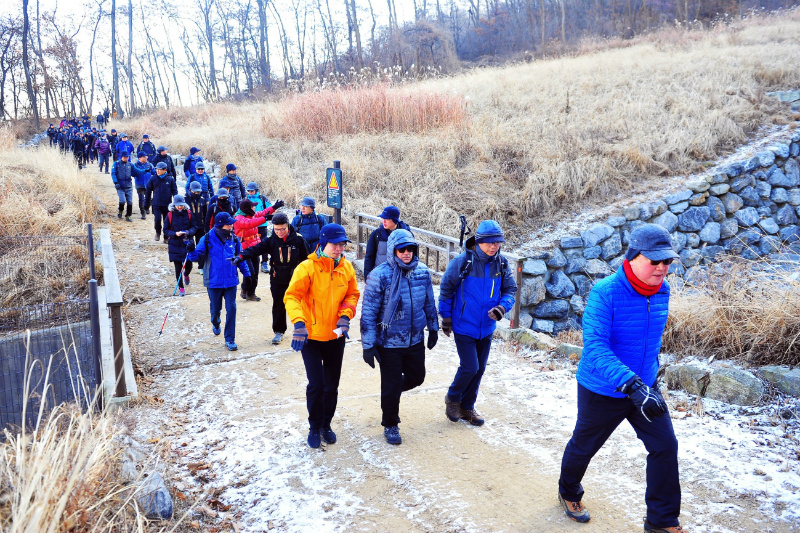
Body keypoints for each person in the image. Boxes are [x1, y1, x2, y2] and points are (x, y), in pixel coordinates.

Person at [557, 224, 683, 533]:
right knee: (585, 445)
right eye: (655, 261)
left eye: (666, 261)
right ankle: (568, 491)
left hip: (645, 388)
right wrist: (630, 383)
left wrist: (648, 379)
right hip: (603, 388)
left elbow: (648, 341)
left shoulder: (662, 290)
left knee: (665, 446)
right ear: (633, 256)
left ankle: (661, 521)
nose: (662, 267)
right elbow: (596, 346)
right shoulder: (605, 292)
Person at [284, 224, 360, 449]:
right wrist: (299, 323)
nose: (339, 248)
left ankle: (327, 424)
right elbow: (292, 297)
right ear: (322, 243)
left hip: (336, 336)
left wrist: (346, 315)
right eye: (335, 244)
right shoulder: (306, 268)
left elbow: (352, 294)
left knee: (331, 386)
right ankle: (314, 426)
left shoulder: (346, 268)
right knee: (316, 384)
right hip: (311, 337)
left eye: (342, 244)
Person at [360, 229, 439, 445]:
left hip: (415, 338)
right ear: (393, 251)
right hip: (389, 342)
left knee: (417, 377)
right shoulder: (380, 275)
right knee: (391, 384)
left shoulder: (422, 272)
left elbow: (429, 303)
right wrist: (368, 345)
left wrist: (433, 328)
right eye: (401, 249)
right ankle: (390, 423)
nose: (406, 253)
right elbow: (368, 312)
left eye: (410, 249)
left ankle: (390, 392)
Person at [439, 219, 516, 426]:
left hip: (487, 327)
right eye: (490, 242)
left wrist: (502, 308)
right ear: (479, 241)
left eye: (498, 242)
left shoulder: (501, 263)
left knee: (480, 368)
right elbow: (446, 289)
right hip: (464, 324)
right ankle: (453, 398)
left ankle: (467, 406)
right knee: (470, 366)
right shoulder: (462, 262)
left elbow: (510, 291)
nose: (494, 246)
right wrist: (445, 318)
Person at [236, 212, 305, 345]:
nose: (279, 232)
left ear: (288, 226)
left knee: (302, 304)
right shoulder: (271, 241)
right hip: (277, 278)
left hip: (296, 279)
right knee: (278, 304)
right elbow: (255, 249)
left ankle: (304, 329)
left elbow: (307, 259)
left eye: (283, 229)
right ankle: (279, 331)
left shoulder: (298, 239)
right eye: (276, 229)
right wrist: (241, 256)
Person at [186, 212, 251, 351]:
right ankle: (216, 323)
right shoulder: (208, 238)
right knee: (215, 310)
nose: (232, 226)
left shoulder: (234, 239)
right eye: (229, 224)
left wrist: (247, 274)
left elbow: (240, 257)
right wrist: (191, 250)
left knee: (231, 309)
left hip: (231, 281)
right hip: (213, 281)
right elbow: (194, 257)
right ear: (221, 225)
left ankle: (230, 339)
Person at [233, 198, 278, 301]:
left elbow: (263, 212)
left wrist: (274, 207)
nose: (254, 208)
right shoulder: (239, 218)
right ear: (247, 208)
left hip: (254, 247)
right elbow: (250, 223)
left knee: (256, 272)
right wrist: (265, 219)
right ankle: (244, 289)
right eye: (252, 206)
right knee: (250, 272)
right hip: (244, 249)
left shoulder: (251, 215)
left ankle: (251, 293)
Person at [363, 206, 412, 280]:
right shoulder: (377, 234)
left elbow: (413, 256)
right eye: (383, 218)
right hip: (380, 277)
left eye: (387, 219)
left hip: (401, 278)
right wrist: (367, 278)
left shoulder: (406, 235)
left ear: (395, 220)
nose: (384, 221)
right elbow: (369, 257)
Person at [164, 195, 196, 296]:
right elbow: (165, 230)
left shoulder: (189, 213)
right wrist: (174, 234)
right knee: (178, 267)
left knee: (189, 265)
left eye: (181, 205)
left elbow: (195, 227)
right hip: (175, 244)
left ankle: (186, 274)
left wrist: (187, 232)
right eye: (177, 205)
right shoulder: (169, 215)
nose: (179, 207)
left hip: (187, 243)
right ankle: (181, 287)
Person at [146, 161, 178, 242]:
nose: (157, 171)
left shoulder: (170, 179)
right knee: (157, 219)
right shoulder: (153, 178)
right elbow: (148, 191)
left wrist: (176, 203)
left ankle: (166, 237)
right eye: (156, 169)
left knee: (166, 221)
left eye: (159, 170)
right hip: (156, 203)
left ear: (165, 170)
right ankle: (157, 232)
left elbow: (175, 191)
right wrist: (147, 203)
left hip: (167, 204)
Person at [243, 182, 272, 272]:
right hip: (251, 225)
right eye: (249, 191)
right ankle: (252, 262)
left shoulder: (262, 198)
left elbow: (269, 208)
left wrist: (264, 217)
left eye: (252, 191)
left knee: (264, 243)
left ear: (256, 190)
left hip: (262, 225)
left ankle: (264, 263)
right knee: (251, 243)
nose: (250, 192)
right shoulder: (246, 199)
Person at [187, 181, 209, 273]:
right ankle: (188, 265)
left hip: (201, 226)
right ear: (190, 190)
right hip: (190, 227)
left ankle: (201, 266)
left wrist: (205, 226)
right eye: (195, 192)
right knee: (190, 246)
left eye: (198, 191)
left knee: (201, 247)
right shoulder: (186, 200)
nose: (197, 193)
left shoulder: (202, 200)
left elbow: (206, 213)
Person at [110, 151, 134, 222]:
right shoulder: (116, 164)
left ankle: (128, 215)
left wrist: (144, 171)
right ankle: (120, 210)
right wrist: (116, 182)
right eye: (125, 157)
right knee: (122, 200)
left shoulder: (130, 164)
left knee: (130, 202)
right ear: (121, 157)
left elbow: (136, 171)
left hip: (129, 186)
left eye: (127, 157)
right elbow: (113, 173)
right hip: (120, 186)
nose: (126, 158)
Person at [132, 152, 155, 219]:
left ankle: (147, 208)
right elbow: (133, 174)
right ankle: (143, 213)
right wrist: (137, 173)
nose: (146, 158)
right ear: (140, 158)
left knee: (148, 198)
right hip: (139, 184)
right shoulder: (136, 165)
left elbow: (154, 172)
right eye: (144, 157)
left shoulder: (149, 165)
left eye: (146, 156)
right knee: (141, 199)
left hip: (148, 184)